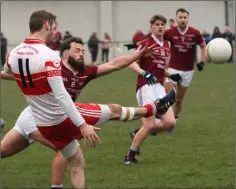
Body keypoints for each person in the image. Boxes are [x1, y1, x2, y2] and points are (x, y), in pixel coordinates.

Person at [1, 36, 176, 189]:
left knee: (4, 151)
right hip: (40, 118)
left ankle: (153, 108)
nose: (81, 53)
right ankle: (153, 108)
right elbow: (20, 75)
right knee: (70, 152)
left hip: (46, 117)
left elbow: (113, 64)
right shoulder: (53, 68)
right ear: (65, 54)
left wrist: (137, 55)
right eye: (77, 50)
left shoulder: (85, 72)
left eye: (83, 50)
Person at [3, 10, 101, 189]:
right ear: (47, 24)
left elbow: (8, 72)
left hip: (33, 114)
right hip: (51, 118)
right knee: (76, 160)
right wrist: (82, 125)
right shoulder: (49, 55)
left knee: (3, 151)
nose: (55, 31)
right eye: (54, 27)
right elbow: (61, 95)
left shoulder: (13, 53)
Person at [124, 14, 182, 164]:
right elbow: (131, 63)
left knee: (170, 123)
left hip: (159, 87)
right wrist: (144, 73)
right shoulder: (146, 43)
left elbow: (160, 68)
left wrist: (171, 75)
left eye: (162, 24)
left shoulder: (166, 45)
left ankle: (138, 132)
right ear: (151, 27)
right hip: (145, 87)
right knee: (149, 124)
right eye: (157, 24)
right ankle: (130, 156)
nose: (160, 26)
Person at [163, 8, 207, 122]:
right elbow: (157, 40)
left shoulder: (195, 33)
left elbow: (203, 46)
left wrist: (202, 61)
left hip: (188, 70)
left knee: (178, 100)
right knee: (166, 96)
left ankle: (173, 119)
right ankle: (161, 120)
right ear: (176, 18)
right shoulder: (169, 32)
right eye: (180, 17)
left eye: (185, 18)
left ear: (188, 19)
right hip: (172, 68)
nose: (183, 20)